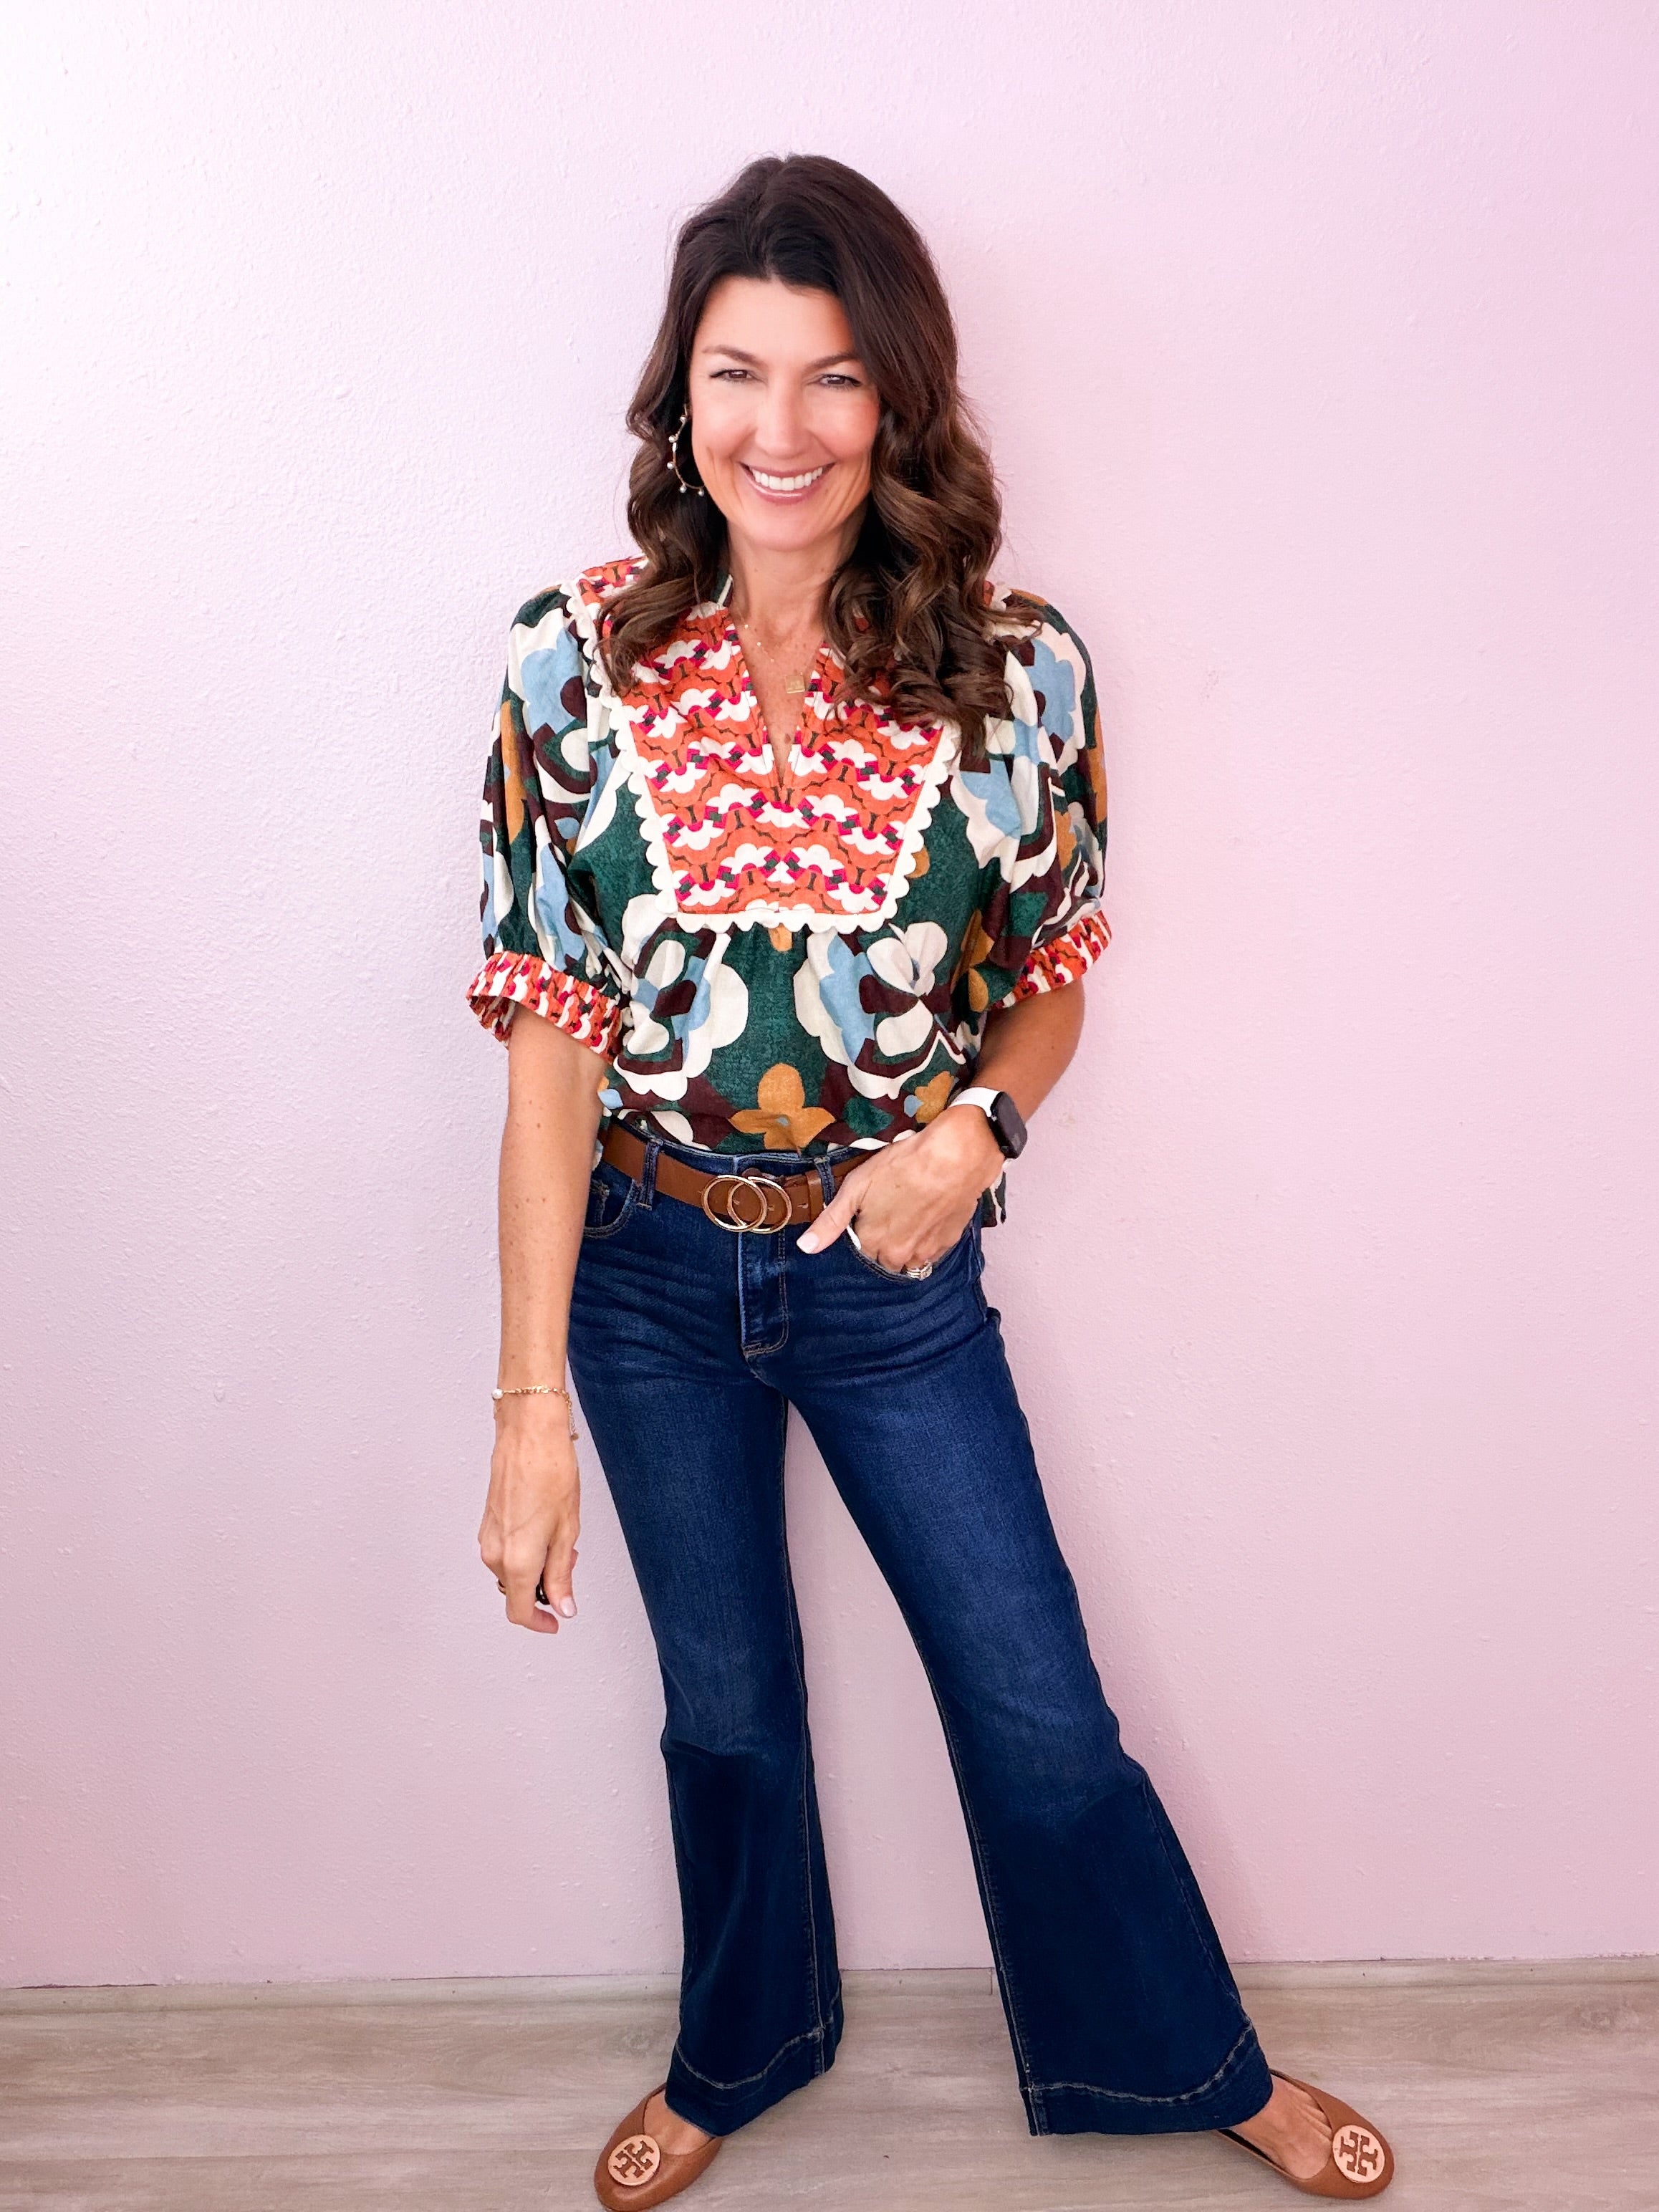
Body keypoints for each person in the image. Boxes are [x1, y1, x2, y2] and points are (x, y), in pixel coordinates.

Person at [468, 155, 1395, 2211]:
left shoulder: (1018, 664)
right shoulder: (566, 660)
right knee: (725, 1713)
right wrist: (527, 1404)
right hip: (640, 1275)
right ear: (679, 394)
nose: (779, 429)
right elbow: (546, 1039)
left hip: (889, 1284)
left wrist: (975, 1134)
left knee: (1035, 1705)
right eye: (736, 373)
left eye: (832, 376)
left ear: (897, 396)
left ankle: (1187, 2059)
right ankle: (741, 2046)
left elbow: (1052, 974)